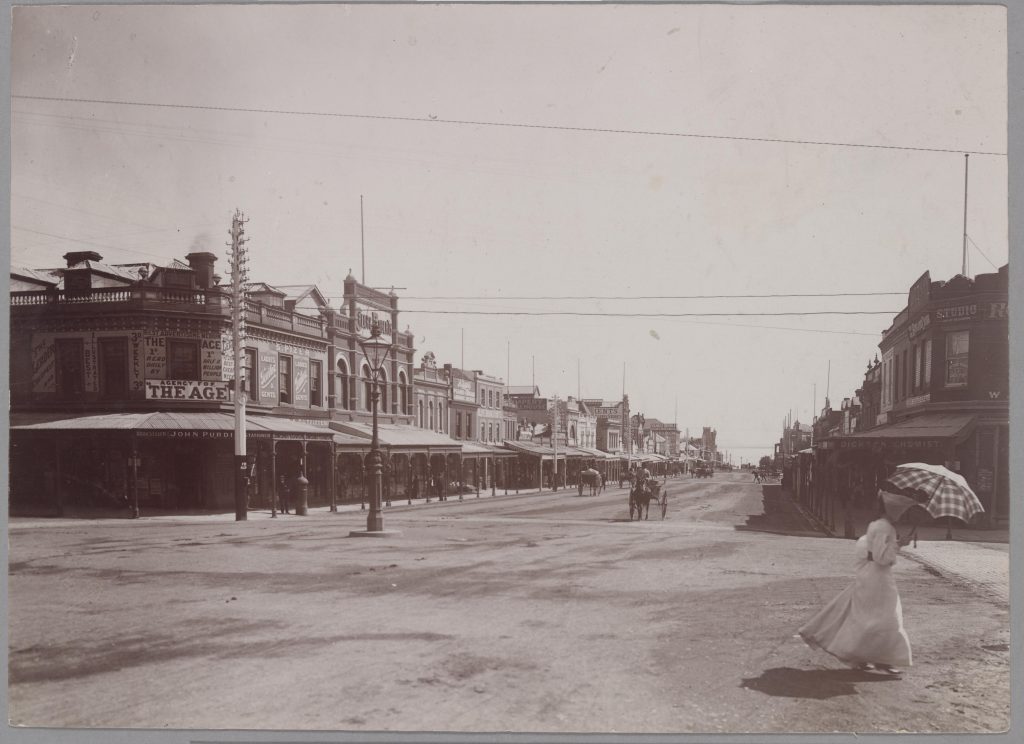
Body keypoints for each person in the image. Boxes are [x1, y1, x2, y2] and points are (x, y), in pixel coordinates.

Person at [797, 490, 913, 675]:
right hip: (879, 578)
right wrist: (897, 546)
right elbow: (882, 557)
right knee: (888, 617)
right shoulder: (886, 527)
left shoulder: (875, 524)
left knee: (867, 617)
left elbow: (871, 549)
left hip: (869, 576)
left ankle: (863, 657)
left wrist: (897, 543)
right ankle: (883, 659)